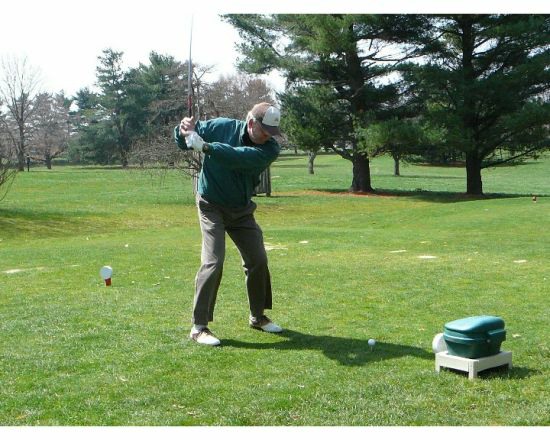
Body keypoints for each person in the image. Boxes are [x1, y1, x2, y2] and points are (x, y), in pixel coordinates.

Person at [174, 102, 283, 346]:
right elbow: (184, 141)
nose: (268, 136)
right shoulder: (222, 127)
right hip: (211, 204)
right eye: (265, 131)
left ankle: (257, 316)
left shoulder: (270, 149)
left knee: (258, 259)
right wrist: (184, 131)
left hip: (241, 209)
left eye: (272, 132)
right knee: (213, 261)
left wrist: (207, 147)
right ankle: (199, 327)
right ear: (251, 122)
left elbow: (238, 157)